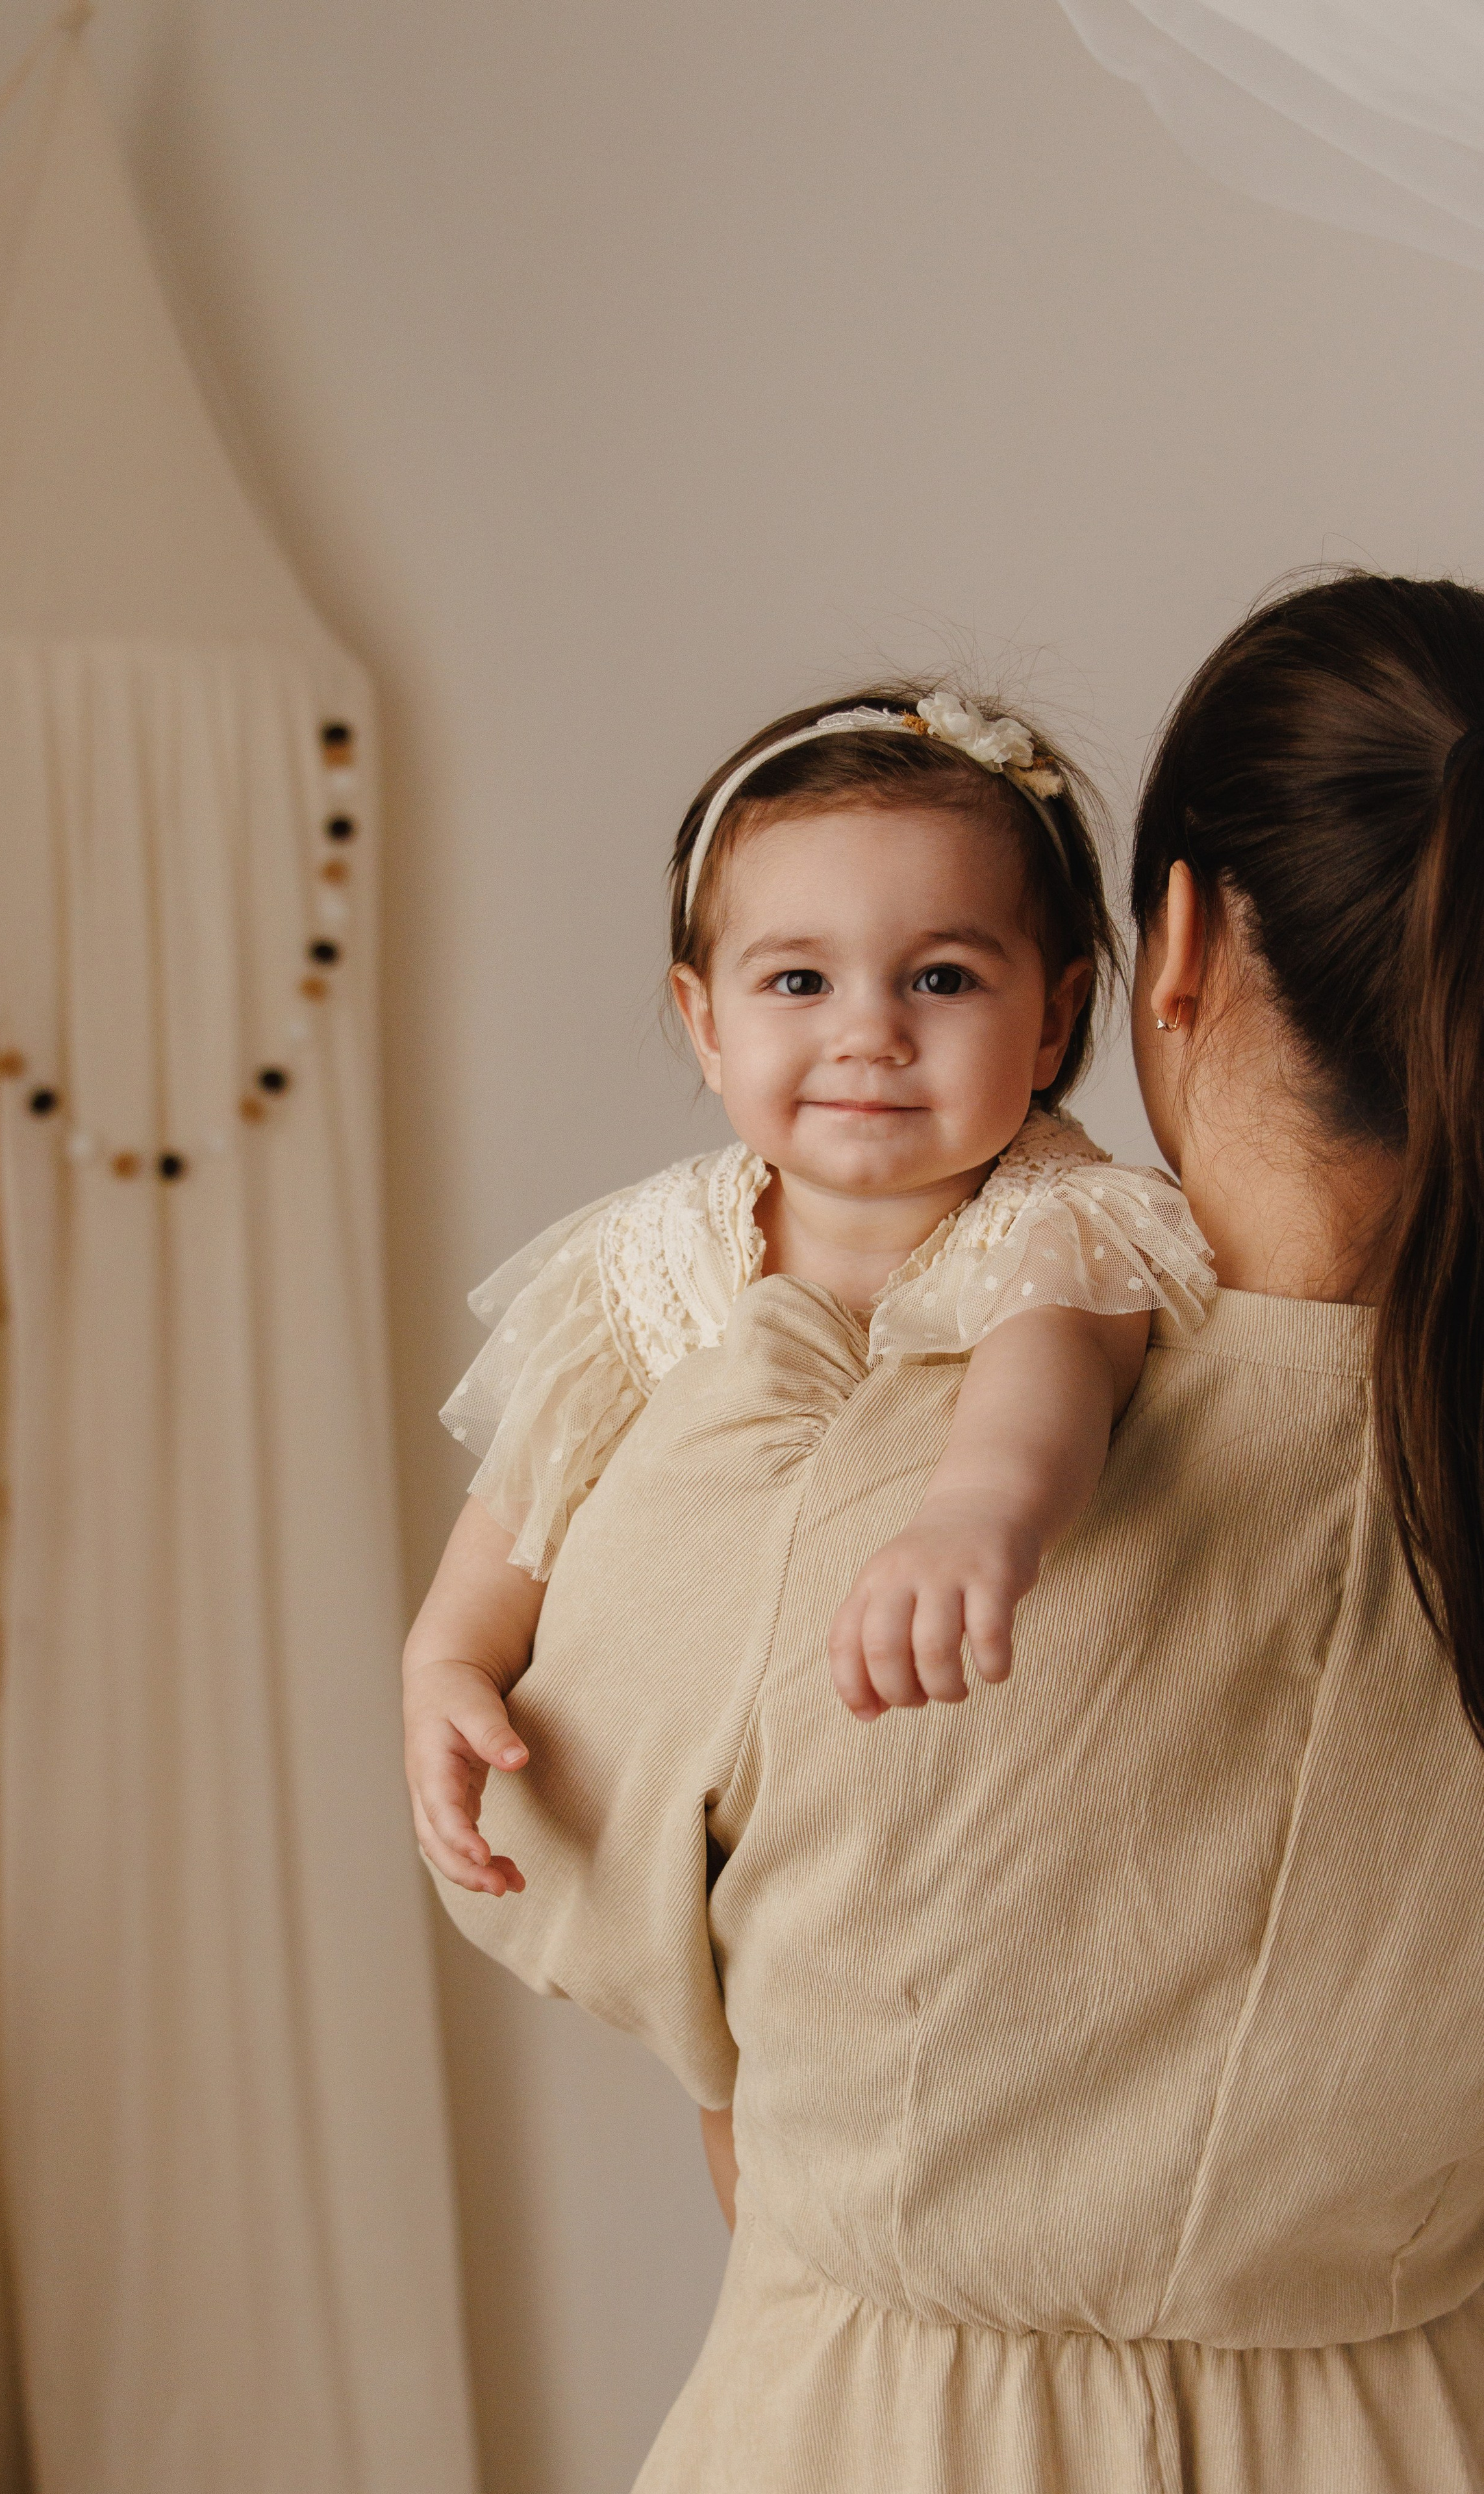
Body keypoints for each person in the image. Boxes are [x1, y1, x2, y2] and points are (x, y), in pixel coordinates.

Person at [421, 573, 1484, 2491]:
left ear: (1153, 959)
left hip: (902, 2437)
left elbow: (570, 1875)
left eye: (937, 975)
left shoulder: (833, 1458)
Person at [406, 683, 1213, 1893]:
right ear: (707, 1021)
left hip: (943, 1830)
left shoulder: (1061, 1225)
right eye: (799, 984)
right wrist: (450, 1662)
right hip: (690, 1823)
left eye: (940, 979)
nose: (869, 1033)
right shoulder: (654, 1249)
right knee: (732, 2077)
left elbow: (1046, 1380)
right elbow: (533, 1492)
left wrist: (976, 1515)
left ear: (1052, 1022)